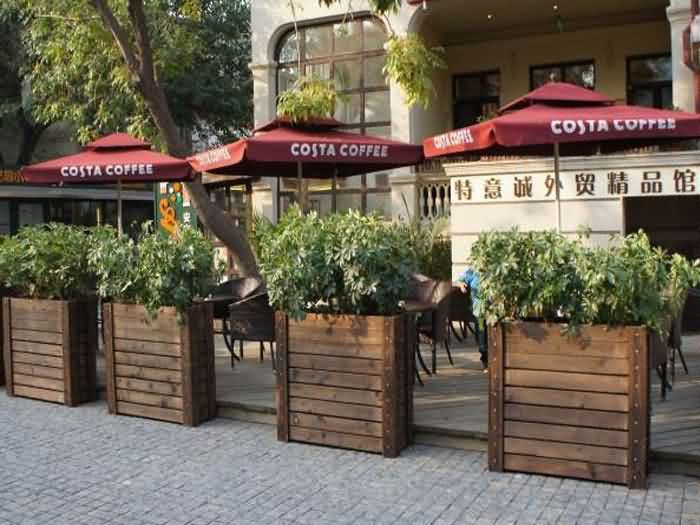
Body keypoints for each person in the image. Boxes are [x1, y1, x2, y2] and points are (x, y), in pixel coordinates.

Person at [456, 268, 488, 370]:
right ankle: (485, 359)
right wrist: (462, 285)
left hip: (493, 308)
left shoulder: (493, 268)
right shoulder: (473, 270)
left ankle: (489, 360)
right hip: (479, 309)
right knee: (481, 335)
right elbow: (460, 280)